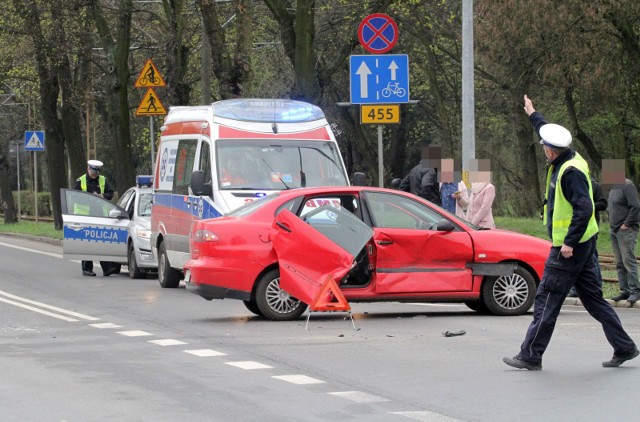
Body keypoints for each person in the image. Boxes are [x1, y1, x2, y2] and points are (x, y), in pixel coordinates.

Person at [503, 95, 638, 371]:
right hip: (585, 242)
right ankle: (624, 347)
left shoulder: (570, 172)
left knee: (547, 297)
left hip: (570, 246)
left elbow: (585, 208)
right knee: (593, 300)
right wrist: (532, 112)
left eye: (544, 148)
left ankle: (530, 355)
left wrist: (569, 242)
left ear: (550, 151)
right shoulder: (569, 156)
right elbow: (545, 130)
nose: (543, 150)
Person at [73, 160, 118, 277]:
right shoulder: (80, 181)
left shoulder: (103, 180)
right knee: (87, 243)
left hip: (100, 215)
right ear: (88, 168)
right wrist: (89, 198)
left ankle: (107, 268)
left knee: (101, 241)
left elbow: (110, 193)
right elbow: (75, 197)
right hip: (85, 217)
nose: (96, 173)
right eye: (94, 170)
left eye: (98, 171)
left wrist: (102, 196)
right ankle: (87, 268)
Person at [567, 177, 608, 297]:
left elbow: (603, 203)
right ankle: (576, 289)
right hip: (574, 229)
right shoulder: (572, 183)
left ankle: (596, 287)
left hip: (590, 229)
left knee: (592, 259)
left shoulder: (595, 186)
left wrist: (587, 207)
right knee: (575, 259)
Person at [607, 165, 640, 303]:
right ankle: (624, 290)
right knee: (619, 262)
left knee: (628, 261)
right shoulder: (613, 188)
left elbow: (636, 206)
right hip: (614, 230)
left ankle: (635, 291)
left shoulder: (627, 185)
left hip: (626, 230)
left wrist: (626, 224)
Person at [455, 163, 495, 229]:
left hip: (484, 226)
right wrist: (467, 222)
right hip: (471, 226)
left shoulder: (489, 187)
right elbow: (470, 207)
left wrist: (473, 223)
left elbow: (484, 208)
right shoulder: (474, 187)